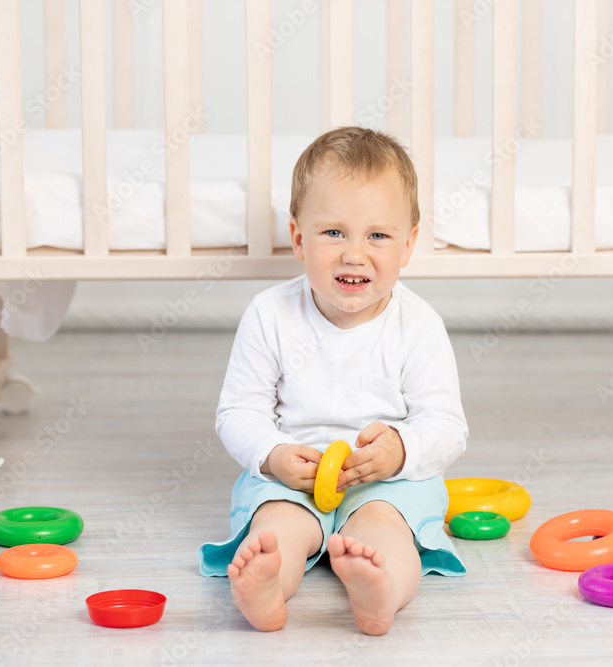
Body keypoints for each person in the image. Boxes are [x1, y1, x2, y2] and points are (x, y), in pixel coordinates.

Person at [198, 127, 468, 635]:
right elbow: (239, 413)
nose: (354, 253)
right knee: (276, 528)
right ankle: (266, 590)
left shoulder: (419, 324)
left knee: (387, 531)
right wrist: (274, 455)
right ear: (299, 238)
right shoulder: (270, 314)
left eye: (378, 236)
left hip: (384, 481)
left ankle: (380, 590)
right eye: (334, 233)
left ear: (408, 245)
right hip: (292, 480)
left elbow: (447, 425)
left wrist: (400, 450)